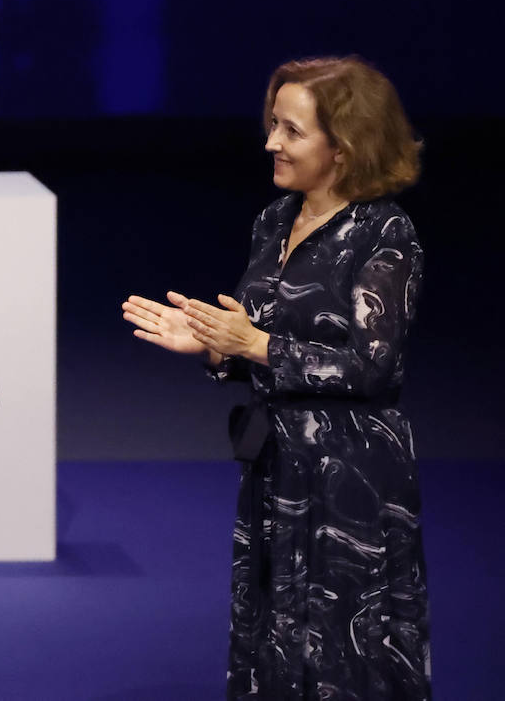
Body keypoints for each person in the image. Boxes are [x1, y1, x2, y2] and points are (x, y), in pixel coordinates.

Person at [122, 55, 429, 698]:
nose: (271, 143)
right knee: (271, 634)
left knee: (346, 644)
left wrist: (256, 345)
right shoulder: (274, 220)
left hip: (351, 478)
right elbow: (262, 343)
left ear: (344, 148)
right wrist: (214, 348)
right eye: (273, 125)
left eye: (292, 131)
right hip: (276, 466)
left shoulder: (385, 233)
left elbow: (373, 367)